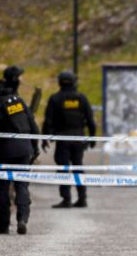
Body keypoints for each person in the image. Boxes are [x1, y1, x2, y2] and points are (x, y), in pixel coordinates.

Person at [0, 80, 40, 235]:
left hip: (4, 151)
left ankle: (3, 225)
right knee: (22, 185)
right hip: (25, 148)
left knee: (2, 188)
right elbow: (32, 124)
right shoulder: (17, 100)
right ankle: (22, 219)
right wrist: (35, 147)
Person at [42, 71, 97, 208]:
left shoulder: (55, 98)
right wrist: (92, 137)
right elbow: (90, 119)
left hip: (62, 139)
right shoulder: (81, 98)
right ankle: (82, 198)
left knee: (63, 169)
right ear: (74, 82)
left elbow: (48, 121)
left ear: (60, 82)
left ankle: (66, 199)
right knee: (78, 167)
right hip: (78, 138)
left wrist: (44, 139)